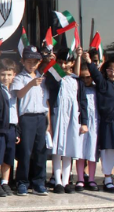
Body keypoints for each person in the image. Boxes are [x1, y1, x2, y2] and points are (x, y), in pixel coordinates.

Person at [84, 53, 114, 193]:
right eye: (110, 70)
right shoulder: (104, 85)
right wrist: (89, 62)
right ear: (106, 70)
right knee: (109, 152)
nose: (113, 73)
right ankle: (107, 179)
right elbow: (96, 75)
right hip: (110, 124)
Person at [45, 47, 85, 194]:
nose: (63, 66)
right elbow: (50, 85)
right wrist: (53, 64)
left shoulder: (77, 80)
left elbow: (83, 101)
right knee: (58, 148)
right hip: (58, 114)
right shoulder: (55, 77)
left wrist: (84, 121)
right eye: (61, 62)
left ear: (72, 63)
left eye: (67, 63)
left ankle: (67, 180)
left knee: (69, 148)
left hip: (73, 117)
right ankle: (57, 181)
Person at [12, 46, 51, 196]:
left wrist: (49, 124)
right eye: (28, 62)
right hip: (26, 118)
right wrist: (30, 84)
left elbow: (46, 101)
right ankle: (22, 182)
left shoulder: (43, 77)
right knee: (25, 151)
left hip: (41, 117)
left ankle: (39, 182)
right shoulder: (19, 78)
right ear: (22, 61)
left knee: (41, 151)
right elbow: (19, 95)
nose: (31, 65)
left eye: (34, 62)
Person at [0, 59, 20, 197]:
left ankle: (5, 181)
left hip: (12, 127)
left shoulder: (14, 90)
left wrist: (17, 131)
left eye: (9, 74)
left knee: (8, 157)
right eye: (3, 74)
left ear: (14, 75)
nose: (6, 77)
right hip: (0, 127)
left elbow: (17, 110)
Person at [75, 61, 100, 191]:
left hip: (94, 123)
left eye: (88, 77)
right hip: (81, 123)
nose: (85, 80)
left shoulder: (97, 90)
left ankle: (91, 179)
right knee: (80, 151)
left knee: (92, 151)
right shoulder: (78, 89)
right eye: (82, 77)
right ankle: (80, 178)